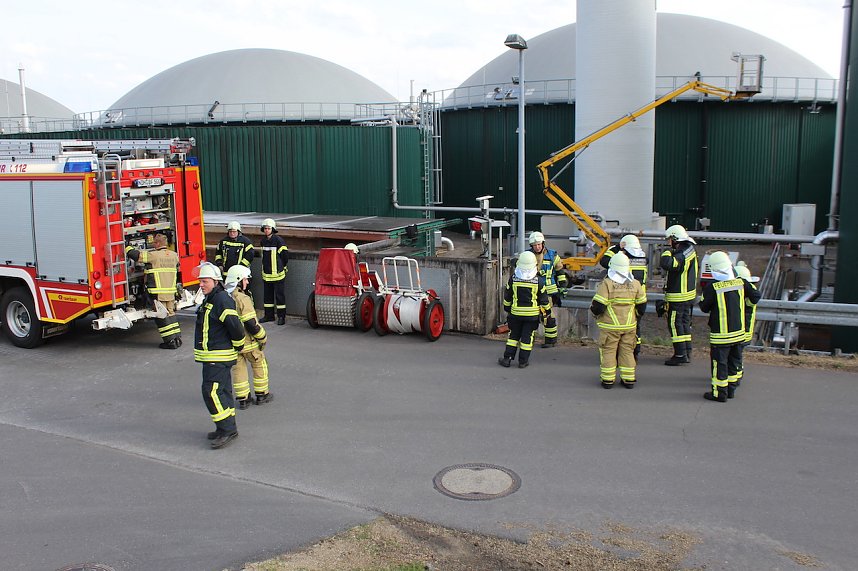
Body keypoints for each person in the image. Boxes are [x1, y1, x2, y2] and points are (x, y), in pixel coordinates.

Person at [193, 262, 246, 449]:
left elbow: (235, 326)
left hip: (218, 356)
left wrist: (239, 345)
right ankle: (226, 427)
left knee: (211, 391)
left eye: (204, 281)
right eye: (200, 281)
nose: (201, 284)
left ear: (215, 281)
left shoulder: (221, 299)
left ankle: (227, 430)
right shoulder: (211, 297)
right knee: (222, 391)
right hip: (213, 356)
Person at [698, 251, 760, 402]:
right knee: (734, 362)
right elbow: (756, 296)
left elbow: (704, 307)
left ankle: (719, 393)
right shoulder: (740, 283)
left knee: (719, 364)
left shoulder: (713, 287)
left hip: (721, 336)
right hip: (738, 333)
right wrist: (746, 306)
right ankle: (731, 390)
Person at [591, 253, 648, 389]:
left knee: (609, 350)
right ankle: (629, 379)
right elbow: (642, 305)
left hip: (610, 326)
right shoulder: (635, 284)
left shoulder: (607, 284)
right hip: (629, 325)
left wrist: (595, 314)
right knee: (627, 351)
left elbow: (598, 306)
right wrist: (636, 317)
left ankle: (608, 380)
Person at [224, 265, 273, 409]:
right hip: (249, 342)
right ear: (238, 280)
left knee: (239, 369)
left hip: (234, 343)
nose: (247, 282)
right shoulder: (242, 298)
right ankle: (262, 394)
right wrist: (262, 337)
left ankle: (243, 399)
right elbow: (251, 323)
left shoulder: (225, 296)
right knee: (259, 364)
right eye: (245, 279)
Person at [125, 233, 182, 349]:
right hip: (170, 292)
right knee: (171, 314)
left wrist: (127, 246)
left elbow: (137, 256)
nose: (153, 244)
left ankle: (169, 342)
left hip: (158, 293)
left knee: (161, 316)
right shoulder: (174, 255)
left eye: (154, 242)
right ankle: (177, 338)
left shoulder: (154, 255)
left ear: (157, 243)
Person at [498, 251, 552, 369]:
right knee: (527, 338)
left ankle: (507, 359)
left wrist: (507, 308)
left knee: (513, 336)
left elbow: (508, 296)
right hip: (532, 316)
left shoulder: (513, 279)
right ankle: (523, 361)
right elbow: (544, 300)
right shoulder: (539, 281)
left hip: (515, 314)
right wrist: (547, 312)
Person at [600, 234, 649, 358]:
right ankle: (634, 353)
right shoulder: (643, 258)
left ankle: (618, 354)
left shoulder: (622, 259)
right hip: (638, 298)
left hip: (623, 297)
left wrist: (616, 247)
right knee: (635, 327)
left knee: (618, 328)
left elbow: (604, 261)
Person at [660, 224, 699, 366]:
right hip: (687, 296)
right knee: (684, 324)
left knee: (675, 324)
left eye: (669, 240)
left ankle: (680, 354)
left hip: (679, 296)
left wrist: (665, 252)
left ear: (675, 239)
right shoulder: (689, 249)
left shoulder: (681, 254)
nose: (668, 242)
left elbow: (668, 264)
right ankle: (686, 351)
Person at [528, 231, 568, 348]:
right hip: (532, 290)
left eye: (539, 244)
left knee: (548, 315)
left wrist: (562, 285)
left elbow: (560, 271)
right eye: (535, 245)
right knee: (532, 315)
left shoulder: (552, 255)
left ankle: (551, 340)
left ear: (543, 243)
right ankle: (528, 339)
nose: (537, 247)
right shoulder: (527, 255)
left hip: (548, 291)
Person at [734, 261, 761, 384]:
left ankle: (736, 376)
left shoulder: (745, 295)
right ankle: (737, 373)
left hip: (741, 332)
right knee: (737, 355)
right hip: (745, 332)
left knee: (736, 356)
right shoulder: (752, 290)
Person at [259, 218, 289, 325]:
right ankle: (269, 316)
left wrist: (283, 267)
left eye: (268, 228)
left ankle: (281, 317)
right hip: (267, 274)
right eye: (265, 228)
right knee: (267, 297)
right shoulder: (263, 241)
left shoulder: (278, 240)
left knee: (279, 297)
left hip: (278, 275)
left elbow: (285, 256)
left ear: (273, 229)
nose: (266, 230)